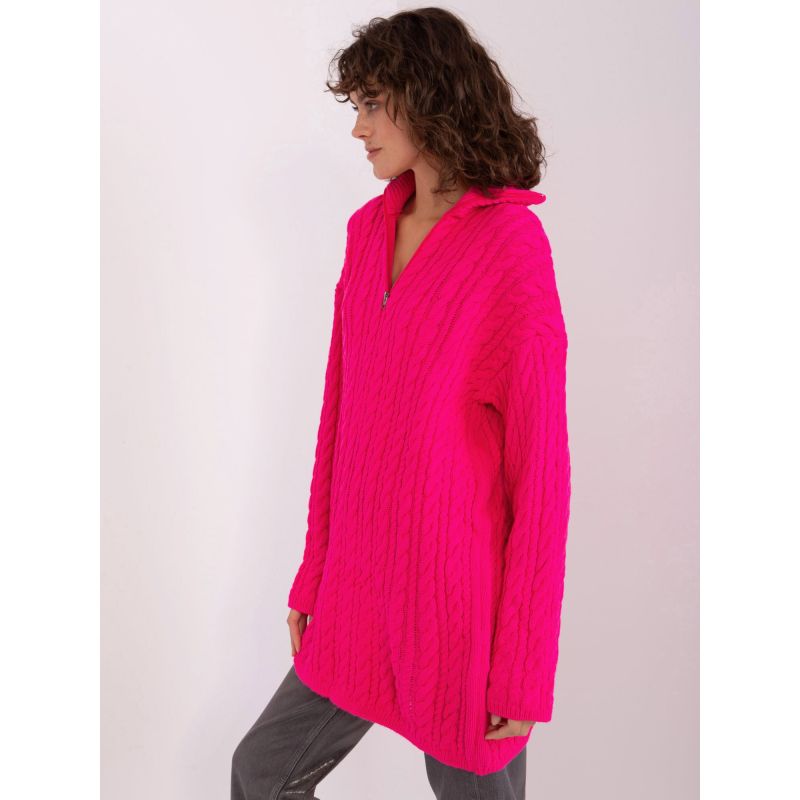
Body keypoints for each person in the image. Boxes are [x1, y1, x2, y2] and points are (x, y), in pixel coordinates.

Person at [232, 8, 571, 799]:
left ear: (430, 97)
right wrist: (314, 576)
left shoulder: (510, 249)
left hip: (457, 612)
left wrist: (522, 665)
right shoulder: (366, 233)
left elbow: (541, 476)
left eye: (374, 104)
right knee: (261, 772)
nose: (358, 128)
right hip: (356, 591)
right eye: (357, 106)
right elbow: (340, 420)